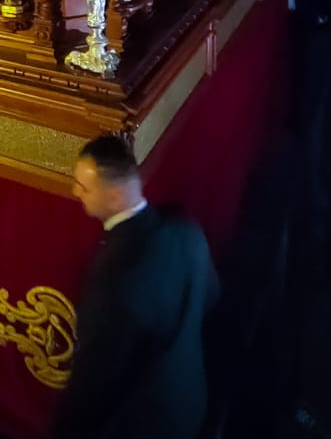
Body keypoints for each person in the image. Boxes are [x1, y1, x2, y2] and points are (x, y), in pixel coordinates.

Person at [52, 136, 218, 439]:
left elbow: (92, 386)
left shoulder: (113, 282)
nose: (76, 192)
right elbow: (209, 299)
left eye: (85, 187)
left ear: (115, 196)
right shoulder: (186, 231)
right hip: (191, 400)